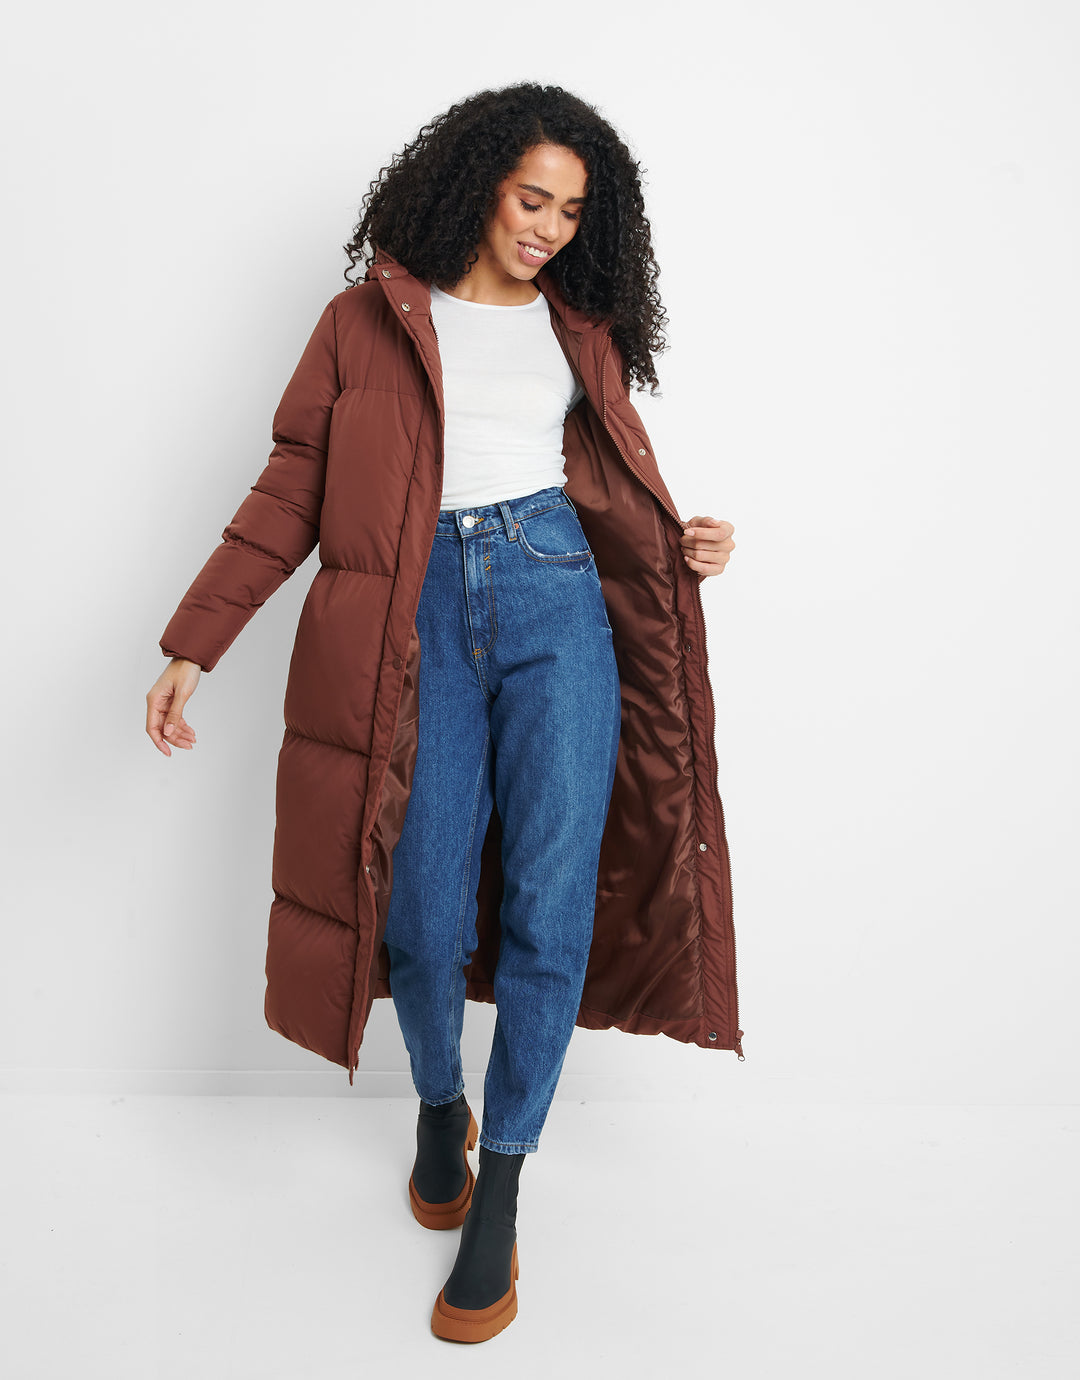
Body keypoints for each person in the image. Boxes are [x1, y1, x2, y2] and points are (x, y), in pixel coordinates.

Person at [146, 81, 737, 1344]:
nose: (549, 229)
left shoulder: (580, 325)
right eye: (532, 199)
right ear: (476, 183)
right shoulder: (364, 319)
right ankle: (436, 1101)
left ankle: (503, 1185)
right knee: (418, 910)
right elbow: (293, 485)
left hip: (555, 600)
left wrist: (690, 541)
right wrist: (197, 640)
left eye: (571, 212)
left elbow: (615, 479)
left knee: (548, 904)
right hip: (412, 613)